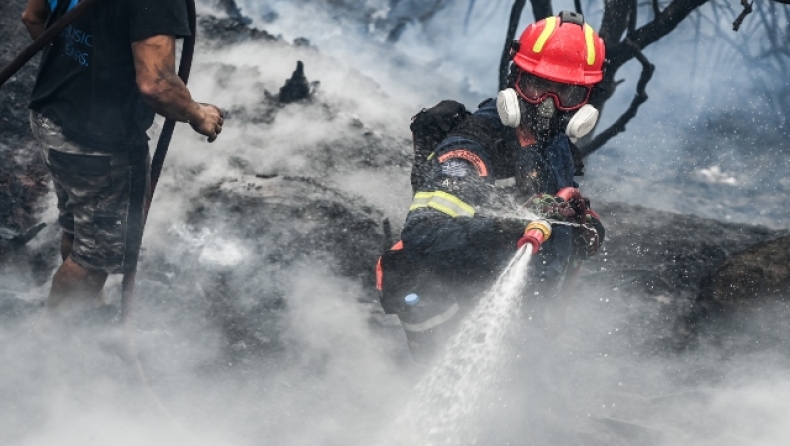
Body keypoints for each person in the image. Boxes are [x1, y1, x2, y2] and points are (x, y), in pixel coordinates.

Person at [377, 11, 606, 363]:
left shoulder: (556, 146)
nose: (548, 105)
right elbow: (425, 233)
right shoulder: (474, 144)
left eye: (566, 92)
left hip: (523, 314)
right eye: (537, 86)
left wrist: (581, 226)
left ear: (585, 99)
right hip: (457, 312)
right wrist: (505, 227)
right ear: (516, 79)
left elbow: (555, 209)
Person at [21, 0, 224, 328]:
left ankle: (89, 308)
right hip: (98, 144)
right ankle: (53, 343)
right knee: (95, 258)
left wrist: (77, 72)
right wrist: (199, 115)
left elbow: (33, 17)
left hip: (51, 117)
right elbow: (157, 86)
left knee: (80, 221)